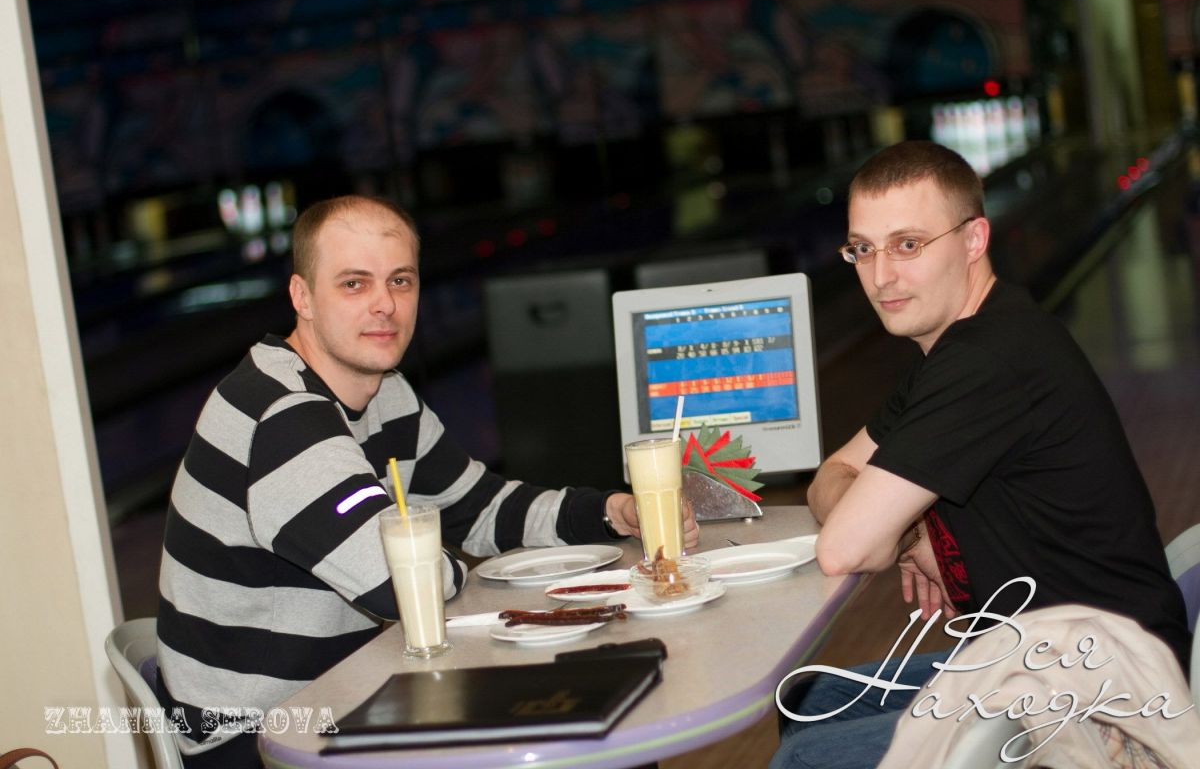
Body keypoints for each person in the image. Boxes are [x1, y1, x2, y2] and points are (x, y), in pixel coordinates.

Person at [156, 194, 700, 768]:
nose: (385, 305)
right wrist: (455, 565)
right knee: (592, 743)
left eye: (400, 281)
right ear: (302, 297)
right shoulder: (280, 414)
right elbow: (402, 582)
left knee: (606, 725)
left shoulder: (387, 394)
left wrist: (608, 512)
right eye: (354, 284)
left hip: (353, 686)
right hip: (266, 736)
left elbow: (481, 507)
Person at [771, 141, 1189, 769]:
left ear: (973, 239)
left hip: (1103, 692)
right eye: (863, 248)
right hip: (1034, 657)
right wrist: (914, 535)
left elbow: (845, 549)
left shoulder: (987, 360)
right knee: (809, 698)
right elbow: (831, 476)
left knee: (807, 757)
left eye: (908, 244)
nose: (880, 276)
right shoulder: (954, 350)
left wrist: (886, 529)